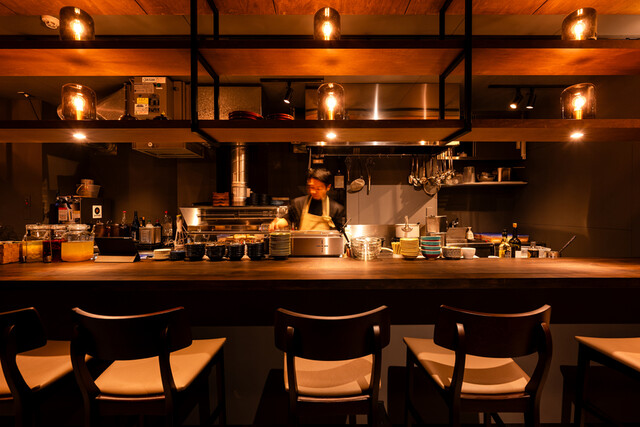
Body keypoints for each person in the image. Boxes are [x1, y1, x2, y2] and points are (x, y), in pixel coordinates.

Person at [269, 168, 345, 231]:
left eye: (318, 188)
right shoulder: (299, 203)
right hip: (303, 244)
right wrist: (278, 223)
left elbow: (338, 233)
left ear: (328, 187)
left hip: (325, 244)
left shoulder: (336, 209)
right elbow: (288, 219)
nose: (313, 191)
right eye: (311, 187)